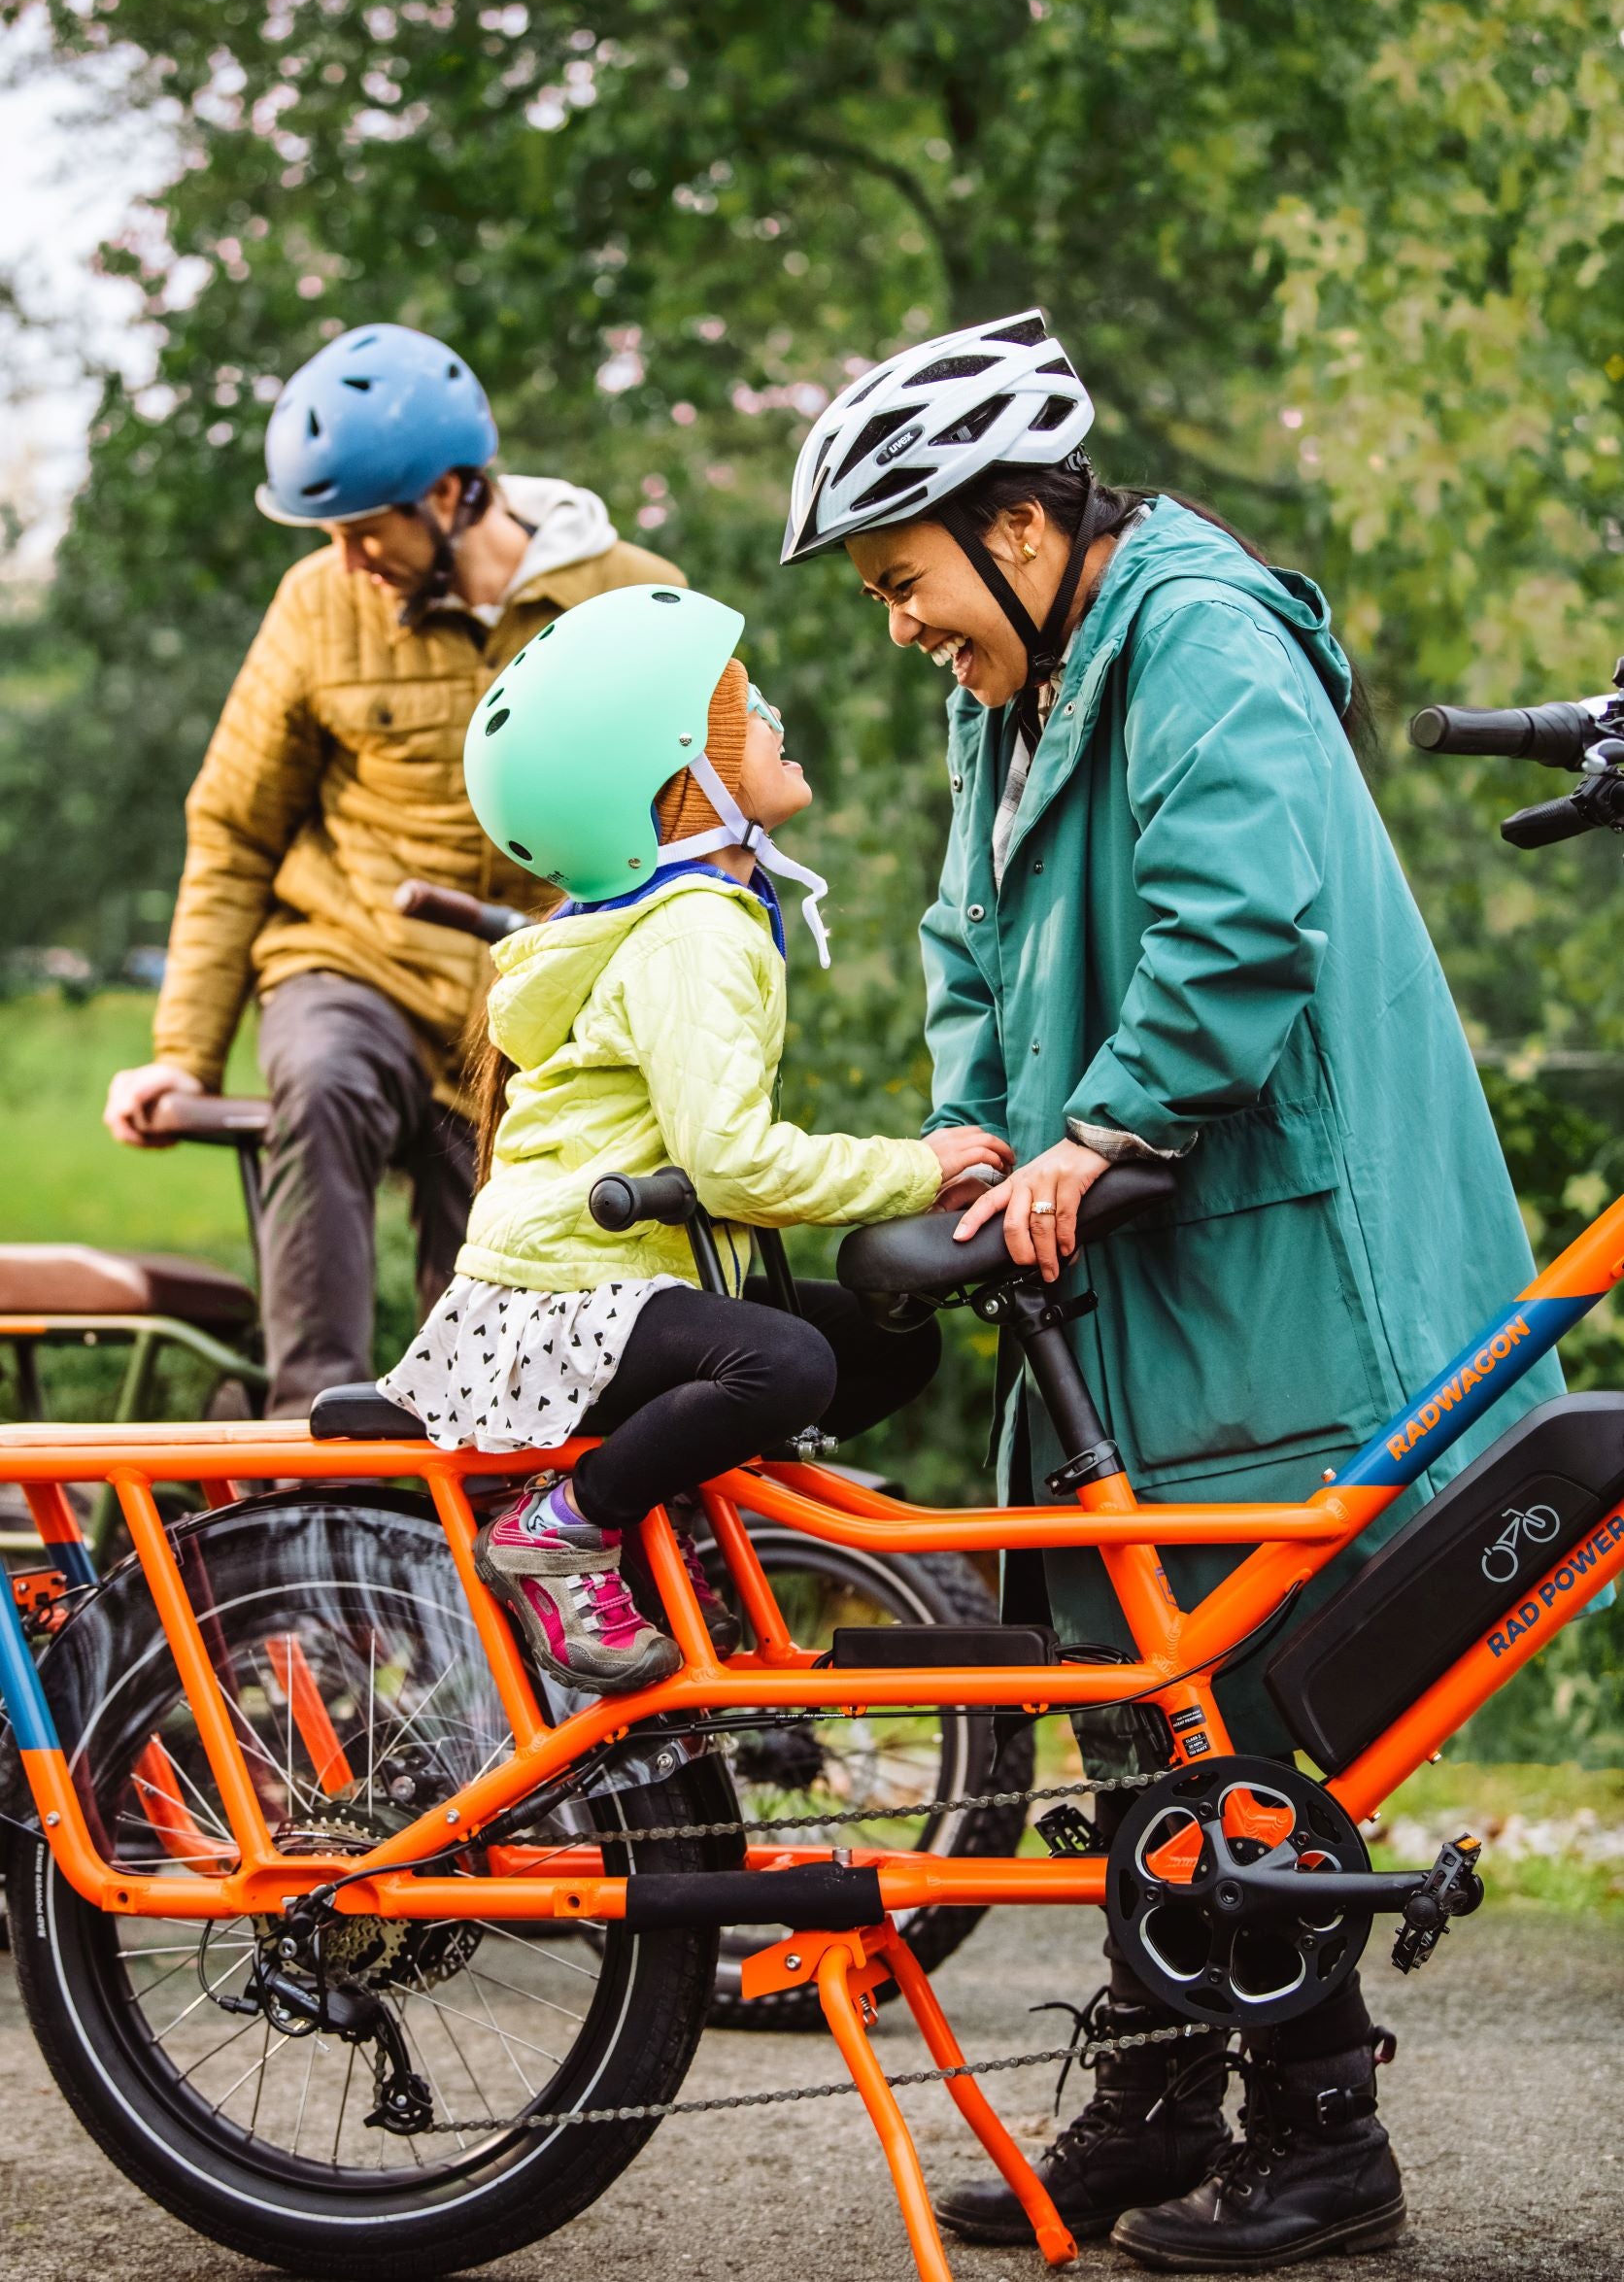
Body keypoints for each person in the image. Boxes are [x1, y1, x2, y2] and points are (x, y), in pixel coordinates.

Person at [781, 309, 1562, 2270]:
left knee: (1242, 1705)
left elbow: (1235, 926)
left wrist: (1101, 1127)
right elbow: (965, 933)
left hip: (1268, 1247)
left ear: (1023, 530)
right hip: (1120, 1249)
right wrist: (979, 1129)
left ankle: (1320, 2147)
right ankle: (1151, 2102)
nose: (898, 626)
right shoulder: (1012, 691)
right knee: (1138, 1699)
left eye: (906, 579)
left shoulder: (1200, 640)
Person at [376, 581, 1010, 1689]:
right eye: (743, 709)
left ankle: (668, 1524)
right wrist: (916, 1168)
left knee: (885, 1342)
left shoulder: (686, 918)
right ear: (685, 779)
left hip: (606, 1281)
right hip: (565, 1295)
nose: (772, 717)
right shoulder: (692, 933)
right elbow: (730, 1163)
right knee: (789, 1361)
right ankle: (564, 1528)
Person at [102, 323, 683, 1416]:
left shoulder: (625, 594)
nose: (347, 561)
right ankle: (305, 1438)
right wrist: (182, 1052)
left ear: (456, 492)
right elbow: (233, 827)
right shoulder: (318, 606)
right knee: (321, 1081)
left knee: (499, 1255)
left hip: (527, 1005)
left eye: (366, 531)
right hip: (350, 955)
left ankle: (456, 1478)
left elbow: (695, 811)